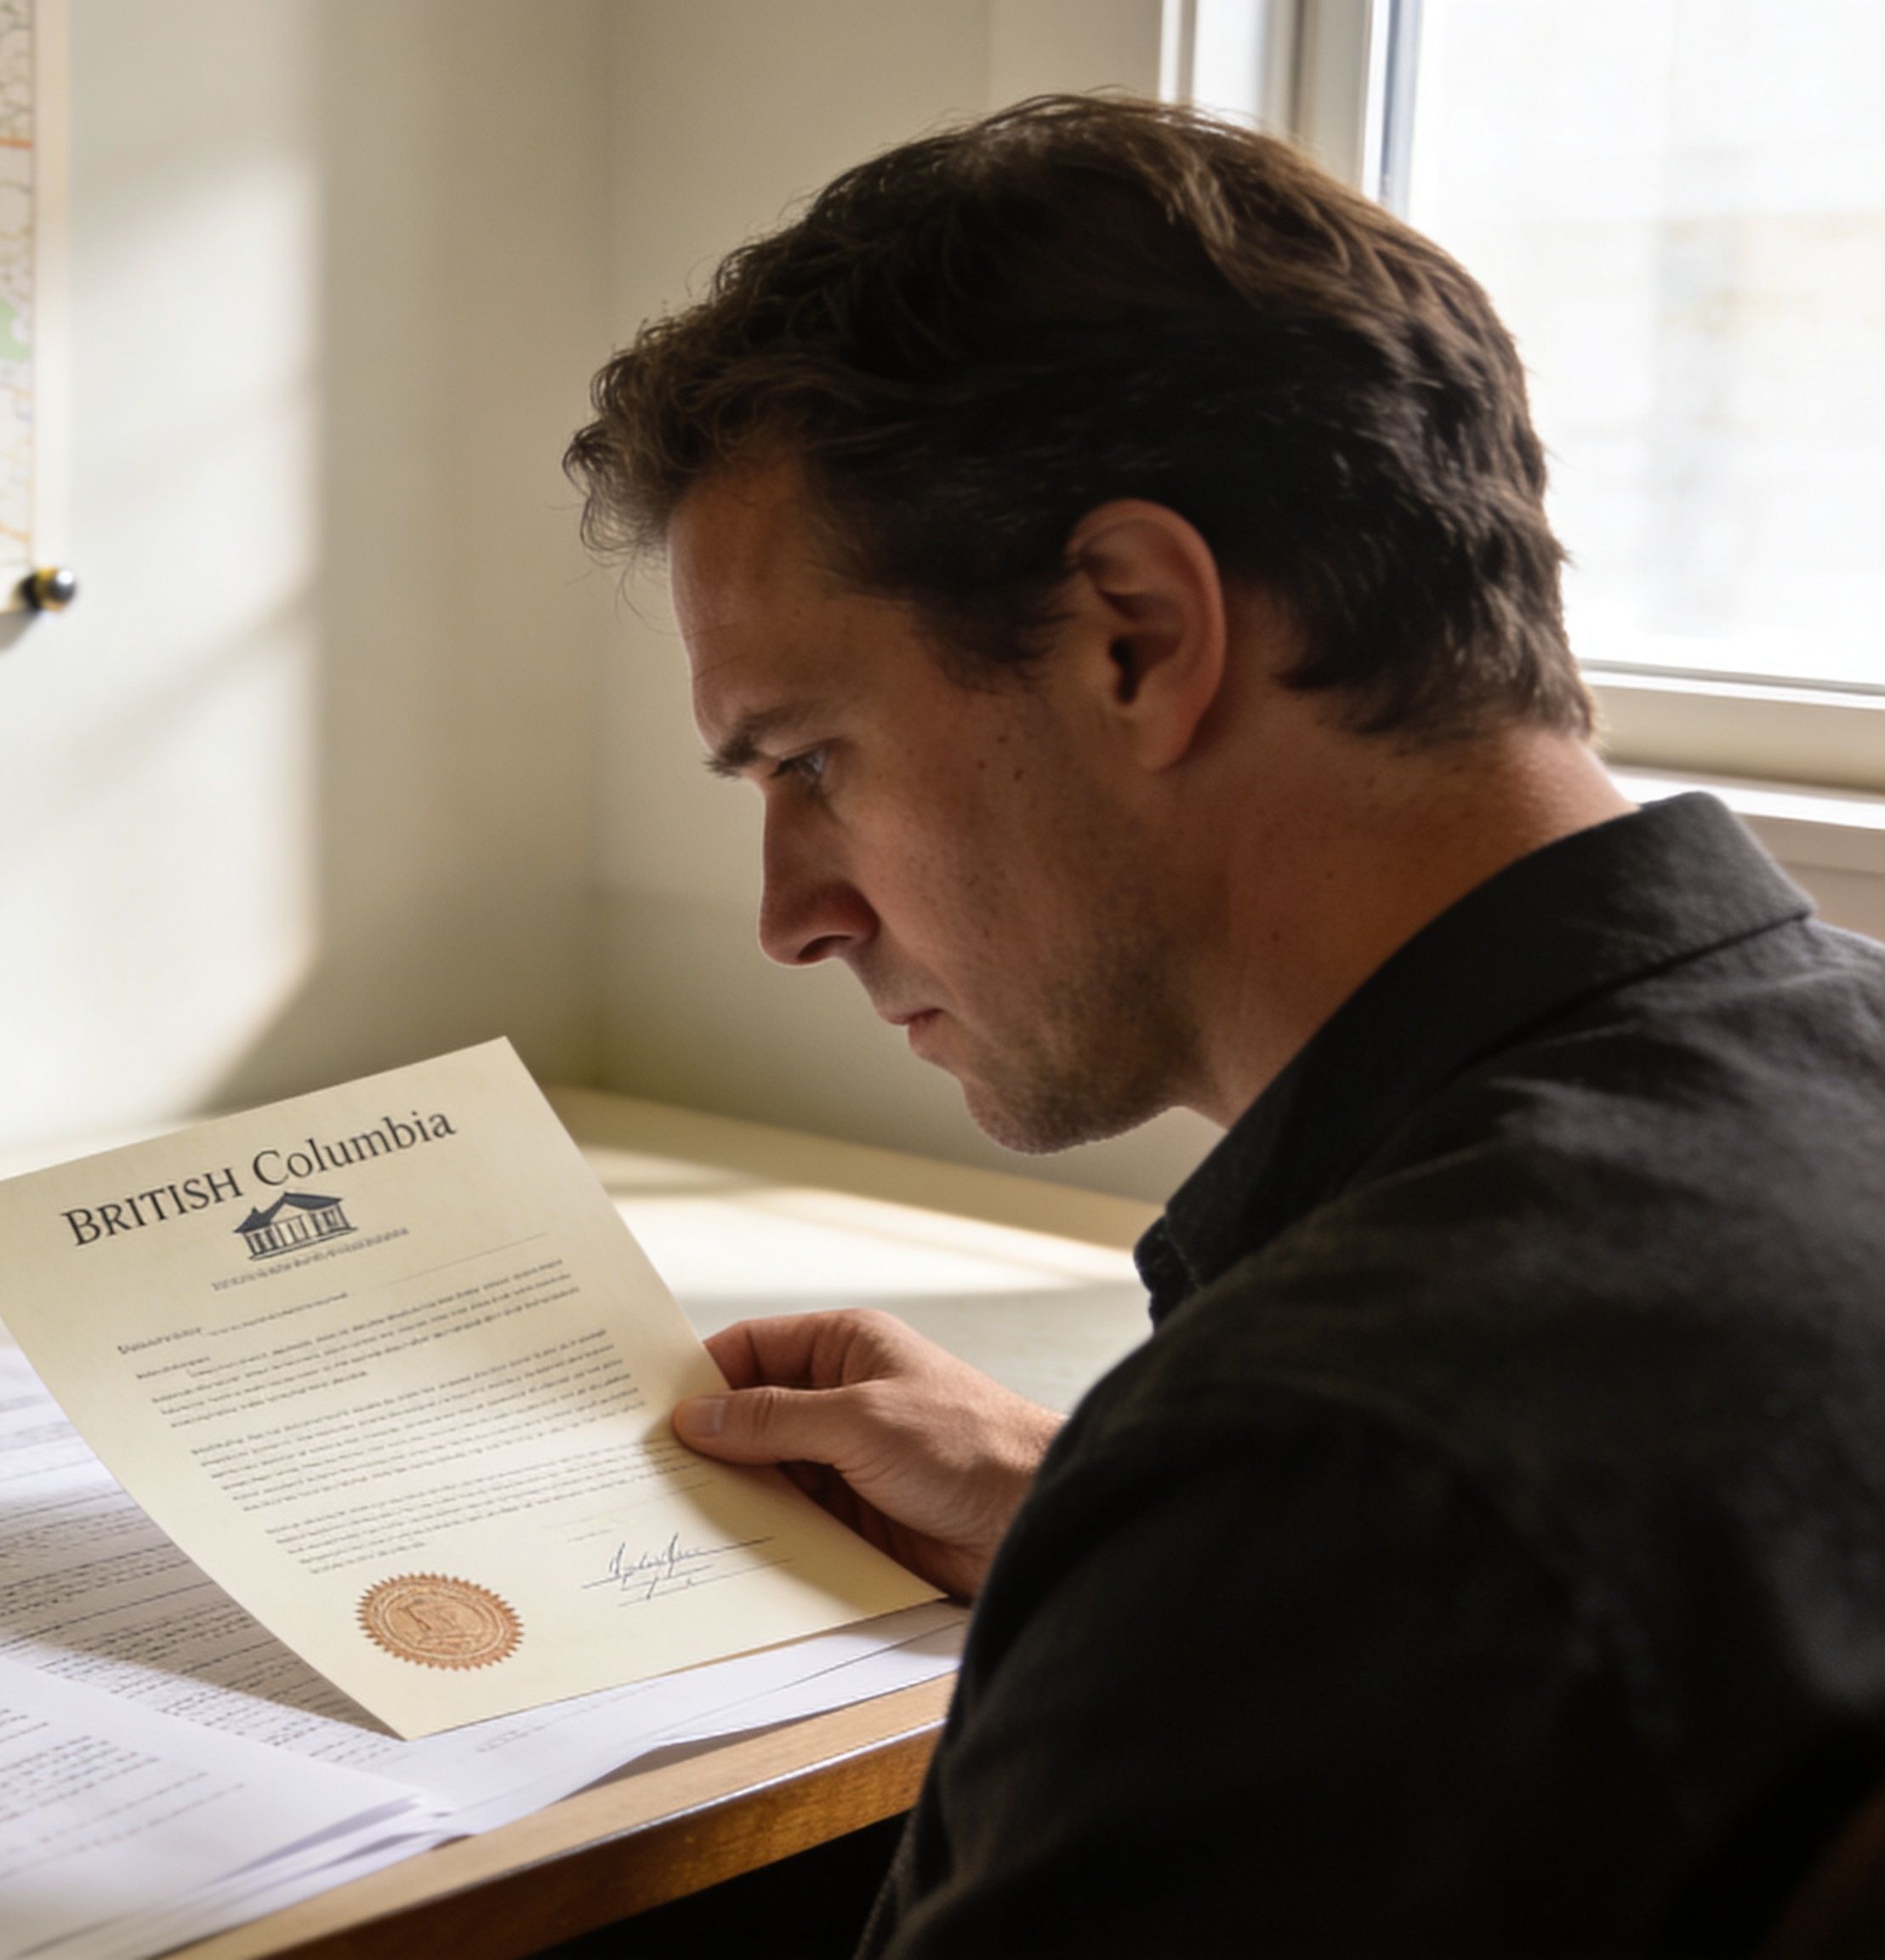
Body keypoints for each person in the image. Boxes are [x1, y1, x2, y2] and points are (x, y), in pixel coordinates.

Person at [565, 95, 1885, 1954]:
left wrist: (1227, 1539)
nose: (791, 916)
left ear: (1131, 633)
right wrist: (1092, 1519)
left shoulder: (1345, 1467)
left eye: (806, 763)